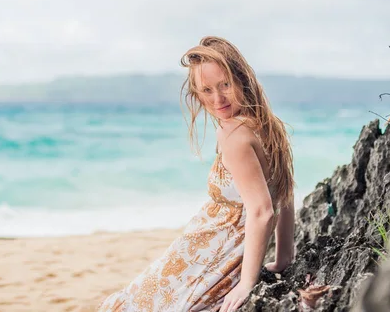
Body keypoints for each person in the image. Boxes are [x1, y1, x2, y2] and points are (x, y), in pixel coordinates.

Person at [98, 36, 296, 312]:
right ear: (196, 94)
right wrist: (285, 256)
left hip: (212, 257)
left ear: (242, 79)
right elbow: (285, 193)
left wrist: (246, 283)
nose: (217, 99)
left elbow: (263, 210)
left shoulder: (233, 134)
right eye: (206, 90)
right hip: (203, 249)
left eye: (225, 84)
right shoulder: (268, 124)